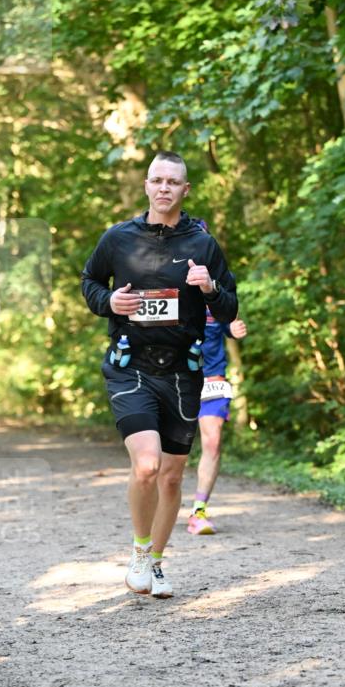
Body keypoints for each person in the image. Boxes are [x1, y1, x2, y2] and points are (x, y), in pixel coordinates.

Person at [81, 150, 238, 599]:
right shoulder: (118, 239)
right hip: (131, 367)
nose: (164, 188)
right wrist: (108, 303)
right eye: (157, 180)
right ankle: (138, 551)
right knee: (147, 464)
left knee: (172, 476)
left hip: (184, 374)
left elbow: (230, 306)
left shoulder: (202, 244)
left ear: (185, 190)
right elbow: (90, 281)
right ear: (147, 186)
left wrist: (209, 288)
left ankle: (157, 563)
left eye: (173, 182)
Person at [187, 307, 247, 535]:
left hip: (212, 378)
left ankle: (198, 511)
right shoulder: (167, 282)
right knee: (168, 450)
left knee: (213, 442)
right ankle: (160, 506)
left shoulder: (218, 286)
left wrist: (231, 328)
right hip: (176, 378)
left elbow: (227, 322)